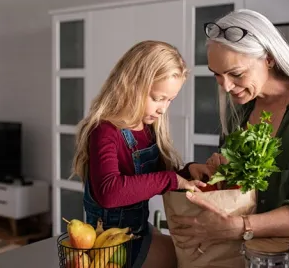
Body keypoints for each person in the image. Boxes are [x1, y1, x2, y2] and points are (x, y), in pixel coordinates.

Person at [170, 9, 289, 257]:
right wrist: (217, 173)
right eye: (217, 75)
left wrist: (239, 227)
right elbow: (236, 193)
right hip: (243, 256)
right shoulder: (239, 112)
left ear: (268, 58)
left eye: (236, 74)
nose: (226, 86)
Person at [72, 40, 210, 268]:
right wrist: (171, 180)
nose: (163, 109)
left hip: (138, 230)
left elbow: (151, 176)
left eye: (170, 100)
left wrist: (186, 172)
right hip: (109, 245)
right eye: (157, 98)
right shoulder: (104, 131)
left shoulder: (147, 128)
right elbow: (109, 192)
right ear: (131, 84)